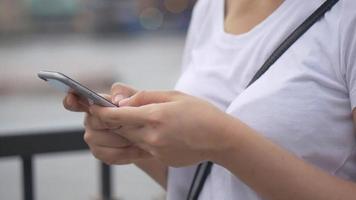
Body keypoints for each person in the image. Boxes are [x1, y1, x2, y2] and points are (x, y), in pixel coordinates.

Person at [63, 0, 356, 199]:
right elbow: (213, 183)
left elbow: (221, 147)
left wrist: (222, 141)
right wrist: (137, 138)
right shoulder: (211, 7)